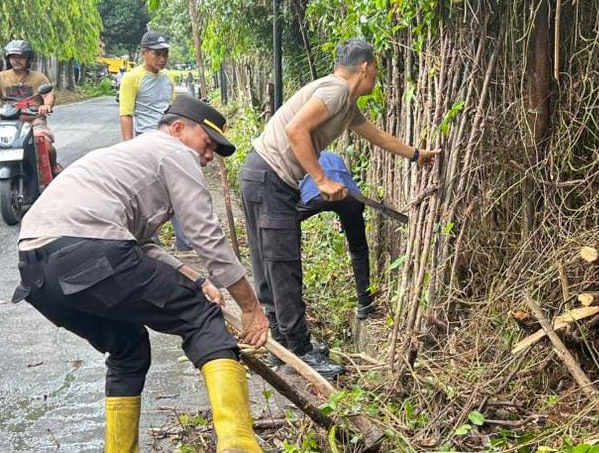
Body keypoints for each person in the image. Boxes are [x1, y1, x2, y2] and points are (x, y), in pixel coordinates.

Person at [13, 94, 281, 453]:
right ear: (177, 128)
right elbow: (205, 234)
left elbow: (142, 247)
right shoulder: (174, 154)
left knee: (127, 347)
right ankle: (238, 440)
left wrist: (193, 277)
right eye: (206, 145)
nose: (208, 157)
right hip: (89, 249)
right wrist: (249, 306)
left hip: (38, 271)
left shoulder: (130, 157)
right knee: (200, 314)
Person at [240, 39, 440, 379]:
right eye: (375, 70)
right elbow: (296, 129)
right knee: (283, 264)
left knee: (270, 262)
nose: (377, 77)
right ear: (364, 67)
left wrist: (416, 155)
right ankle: (300, 351)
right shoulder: (335, 91)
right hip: (270, 177)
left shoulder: (344, 102)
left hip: (259, 173)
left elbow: (373, 134)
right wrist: (320, 179)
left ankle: (282, 344)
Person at [119, 30, 193, 255]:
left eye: (165, 55)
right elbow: (126, 114)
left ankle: (185, 244)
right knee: (146, 194)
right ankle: (150, 241)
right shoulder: (132, 78)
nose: (162, 59)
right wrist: (128, 147)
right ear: (144, 53)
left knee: (177, 190)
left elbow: (170, 110)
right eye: (157, 54)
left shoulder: (168, 77)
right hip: (144, 142)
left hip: (167, 141)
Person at [298, 151, 377, 321]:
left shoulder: (301, 154)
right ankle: (365, 304)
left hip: (314, 195)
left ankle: (293, 305)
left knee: (285, 234)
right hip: (347, 196)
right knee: (358, 248)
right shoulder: (334, 157)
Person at [0, 39, 58, 184]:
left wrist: (46, 106)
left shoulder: (39, 78)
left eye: (21, 57)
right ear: (8, 58)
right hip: (7, 121)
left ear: (28, 59)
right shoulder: (0, 78)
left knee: (45, 145)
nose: (16, 60)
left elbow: (48, 95)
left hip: (33, 120)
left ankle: (53, 167)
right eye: (13, 57)